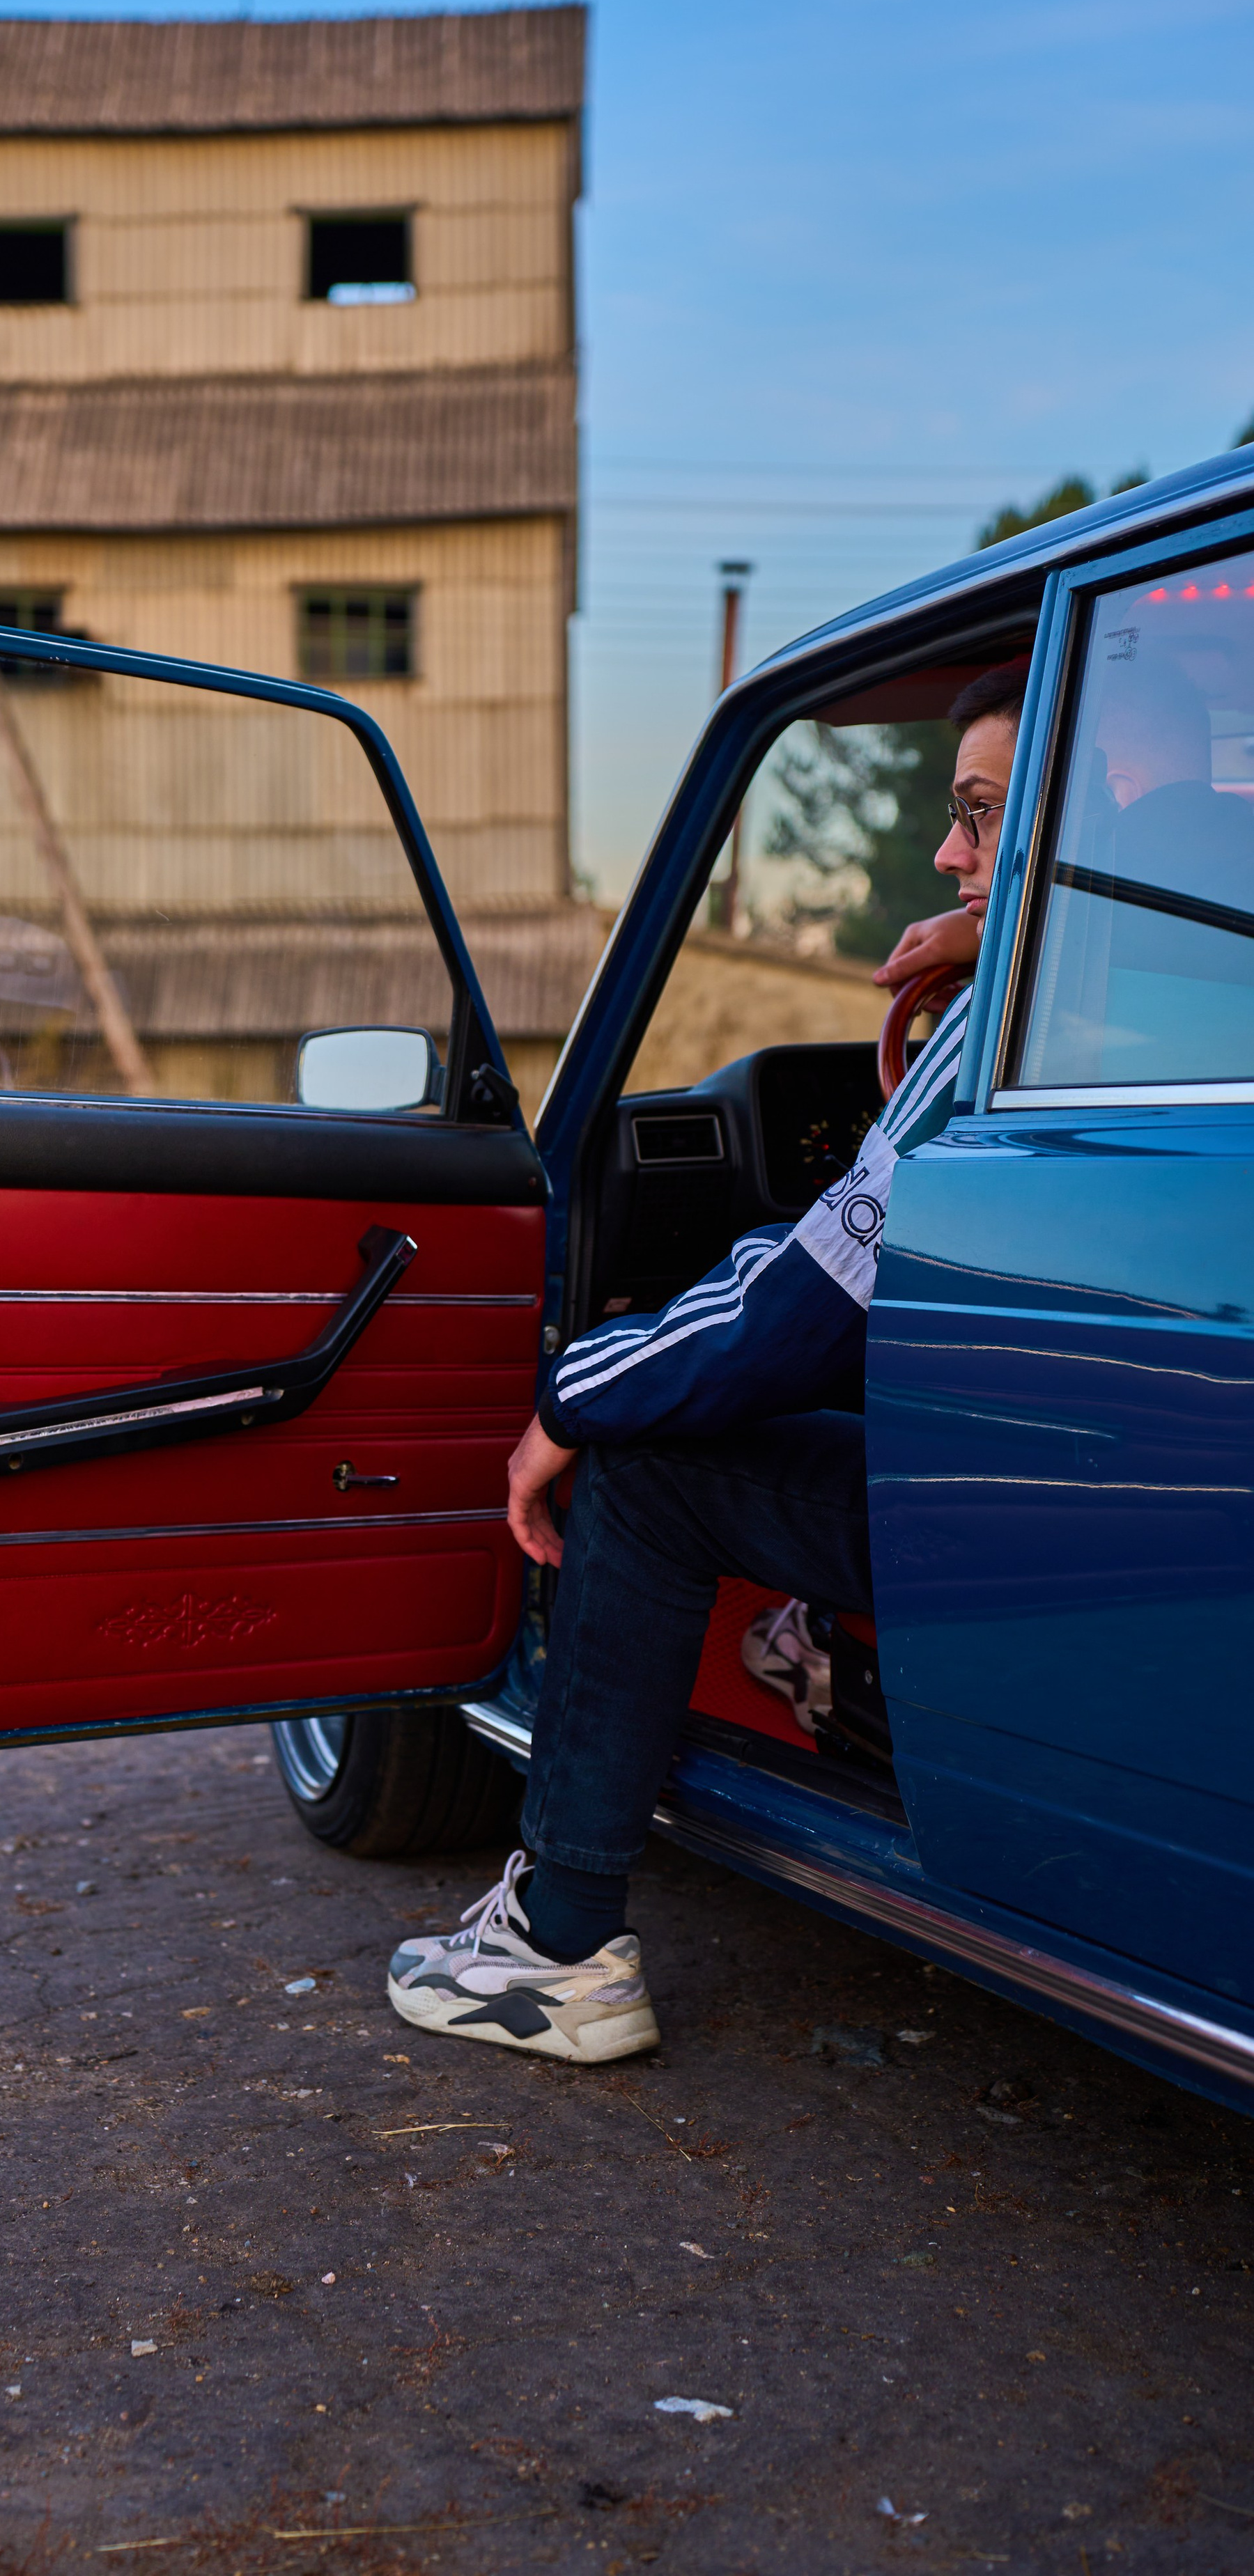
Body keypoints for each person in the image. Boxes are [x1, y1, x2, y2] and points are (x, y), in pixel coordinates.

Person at [385, 666, 1023, 2062]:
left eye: (979, 815)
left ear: (1070, 820)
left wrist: (574, 1384)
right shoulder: (1127, 995)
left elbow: (798, 1312)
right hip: (1108, 1491)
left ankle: (555, 1942)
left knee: (651, 1462)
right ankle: (807, 1653)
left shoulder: (996, 1036)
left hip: (1025, 1520)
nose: (944, 853)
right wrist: (1005, 943)